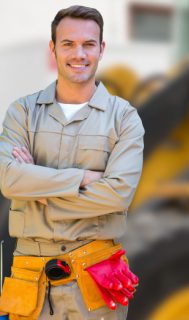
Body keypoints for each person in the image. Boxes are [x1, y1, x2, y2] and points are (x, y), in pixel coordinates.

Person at [0, 5, 144, 319]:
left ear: (101, 49)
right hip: (30, 276)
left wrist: (38, 193)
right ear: (53, 49)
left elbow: (117, 194)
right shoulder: (21, 114)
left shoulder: (124, 119)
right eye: (68, 44)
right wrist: (80, 178)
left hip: (97, 276)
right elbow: (10, 179)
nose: (78, 54)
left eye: (88, 44)